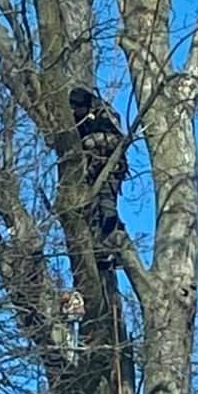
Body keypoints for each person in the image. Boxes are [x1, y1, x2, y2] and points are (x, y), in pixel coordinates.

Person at [68, 87, 128, 264]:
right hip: (92, 170)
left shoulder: (105, 114)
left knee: (106, 205)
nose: (74, 112)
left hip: (110, 167)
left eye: (77, 108)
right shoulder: (77, 118)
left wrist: (91, 142)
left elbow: (117, 140)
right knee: (92, 210)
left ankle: (113, 245)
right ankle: (100, 248)